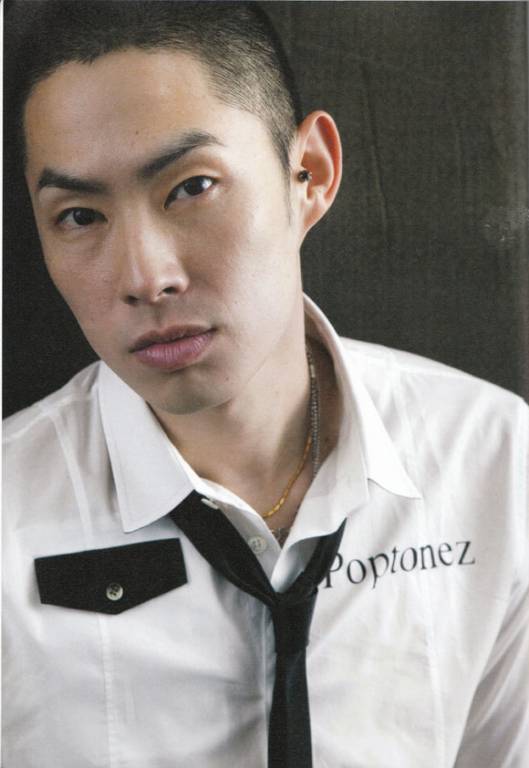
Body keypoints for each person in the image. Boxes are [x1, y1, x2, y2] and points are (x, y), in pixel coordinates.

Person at [3, 2, 528, 766]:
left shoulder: (493, 460)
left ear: (307, 174)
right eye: (79, 216)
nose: (145, 276)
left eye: (191, 187)